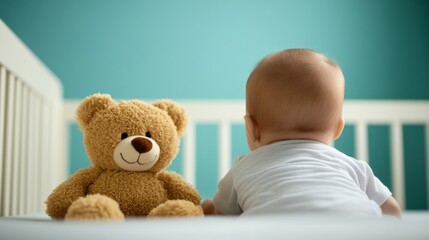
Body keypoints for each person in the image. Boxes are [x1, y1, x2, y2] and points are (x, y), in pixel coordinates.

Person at [202, 49, 401, 217]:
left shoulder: (242, 168)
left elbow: (219, 215)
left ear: (251, 128)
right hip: (357, 230)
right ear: (338, 128)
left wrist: (206, 206)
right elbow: (392, 211)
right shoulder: (354, 167)